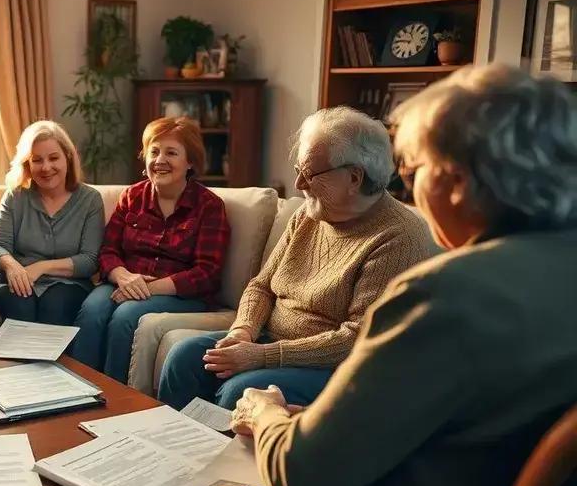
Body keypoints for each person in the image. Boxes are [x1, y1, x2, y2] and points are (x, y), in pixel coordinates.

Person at [218, 65, 577, 486]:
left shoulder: (445, 294)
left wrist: (266, 413)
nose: (407, 192)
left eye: (411, 173)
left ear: (457, 180)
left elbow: (302, 478)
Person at [158, 106, 432, 409]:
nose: (299, 185)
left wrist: (264, 356)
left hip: (336, 367)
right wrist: (243, 330)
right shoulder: (309, 214)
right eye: (299, 170)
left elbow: (358, 338)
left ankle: (222, 457)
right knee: (183, 359)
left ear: (355, 177)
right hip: (268, 341)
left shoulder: (399, 236)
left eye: (311, 174)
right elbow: (262, 285)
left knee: (240, 392)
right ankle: (171, 451)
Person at [72, 117, 230, 383]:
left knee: (126, 316)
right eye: (154, 151)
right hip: (124, 281)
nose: (160, 160)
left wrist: (148, 288)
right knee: (92, 309)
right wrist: (123, 277)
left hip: (178, 294)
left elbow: (207, 273)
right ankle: (76, 388)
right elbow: (108, 250)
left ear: (190, 161)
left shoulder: (209, 206)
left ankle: (115, 397)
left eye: (171, 153)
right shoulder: (132, 196)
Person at [0, 120, 105, 326]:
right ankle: (21, 360)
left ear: (68, 157)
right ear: (27, 164)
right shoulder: (15, 196)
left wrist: (41, 267)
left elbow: (90, 260)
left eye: (53, 158)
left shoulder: (90, 199)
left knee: (56, 304)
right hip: (16, 282)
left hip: (69, 285)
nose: (46, 167)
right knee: (20, 303)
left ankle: (51, 360)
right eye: (37, 160)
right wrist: (12, 266)